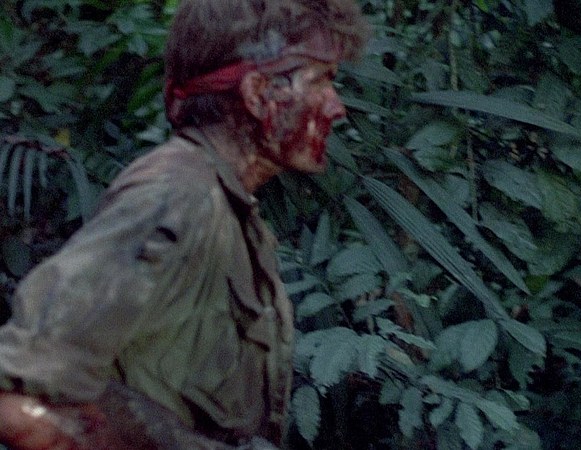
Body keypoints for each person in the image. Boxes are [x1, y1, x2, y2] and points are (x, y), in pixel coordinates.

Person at [0, 0, 368, 448]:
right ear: (258, 94)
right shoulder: (178, 196)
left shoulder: (228, 209)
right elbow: (19, 401)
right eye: (322, 80)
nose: (337, 107)